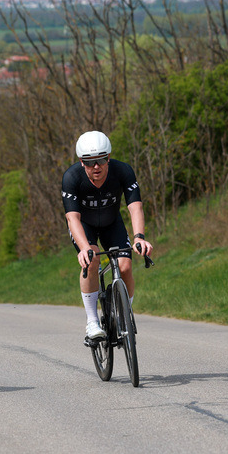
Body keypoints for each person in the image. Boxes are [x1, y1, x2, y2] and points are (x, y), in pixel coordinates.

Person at [62, 131, 153, 344]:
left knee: (126, 267)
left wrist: (139, 237)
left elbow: (135, 206)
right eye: (90, 162)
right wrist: (84, 247)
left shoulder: (123, 171)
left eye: (101, 160)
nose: (96, 166)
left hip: (113, 223)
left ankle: (124, 317)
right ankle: (92, 322)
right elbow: (72, 218)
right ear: (81, 162)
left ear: (109, 158)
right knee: (92, 260)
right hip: (85, 226)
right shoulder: (72, 177)